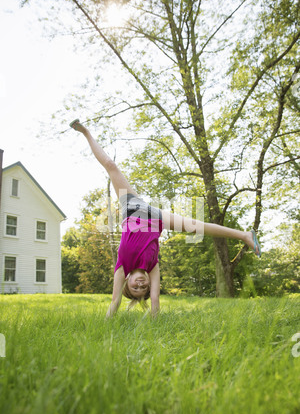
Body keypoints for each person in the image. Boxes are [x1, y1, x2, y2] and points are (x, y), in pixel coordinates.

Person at [70, 119, 261, 318]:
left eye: (135, 288)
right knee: (199, 226)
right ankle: (245, 236)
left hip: (132, 208)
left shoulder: (122, 266)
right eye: (143, 288)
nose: (141, 285)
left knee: (111, 166)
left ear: (127, 280)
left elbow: (115, 301)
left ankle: (86, 133)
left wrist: (105, 327)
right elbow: (155, 301)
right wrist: (153, 315)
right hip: (157, 219)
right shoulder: (152, 267)